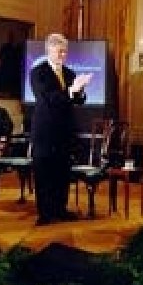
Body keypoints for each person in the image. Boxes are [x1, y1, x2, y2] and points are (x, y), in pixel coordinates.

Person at [30, 33, 92, 225]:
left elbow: (80, 101)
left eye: (65, 51)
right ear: (49, 50)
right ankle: (45, 214)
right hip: (45, 130)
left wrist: (80, 90)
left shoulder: (69, 72)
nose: (63, 55)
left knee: (62, 171)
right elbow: (48, 99)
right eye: (59, 51)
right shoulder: (38, 72)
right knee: (44, 172)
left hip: (65, 130)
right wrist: (72, 91)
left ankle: (60, 209)